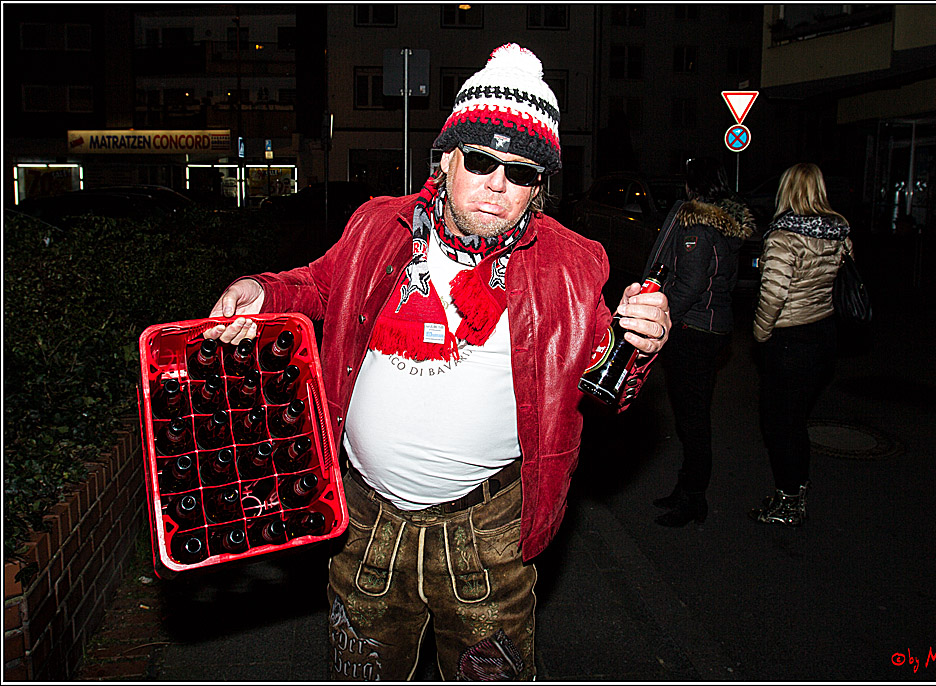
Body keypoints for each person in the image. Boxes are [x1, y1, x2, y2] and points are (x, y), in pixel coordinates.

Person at [204, 44, 671, 681]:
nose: (499, 185)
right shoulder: (379, 227)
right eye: (481, 161)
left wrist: (638, 346)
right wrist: (264, 291)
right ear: (447, 157)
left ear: (540, 185)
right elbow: (318, 286)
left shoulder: (570, 263)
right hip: (362, 521)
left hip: (488, 534)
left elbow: (605, 379)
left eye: (524, 172)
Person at [653, 157, 755, 528]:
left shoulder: (697, 225)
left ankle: (693, 499)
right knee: (692, 416)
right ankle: (687, 489)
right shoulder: (726, 225)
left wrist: (664, 320)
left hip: (694, 332)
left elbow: (690, 285)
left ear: (691, 187)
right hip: (714, 329)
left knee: (692, 420)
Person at [749, 163, 852, 526]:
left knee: (779, 423)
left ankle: (788, 500)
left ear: (787, 190)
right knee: (796, 420)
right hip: (823, 333)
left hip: (789, 340)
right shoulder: (837, 230)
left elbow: (773, 295)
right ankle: (796, 488)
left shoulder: (784, 236)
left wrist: (760, 336)